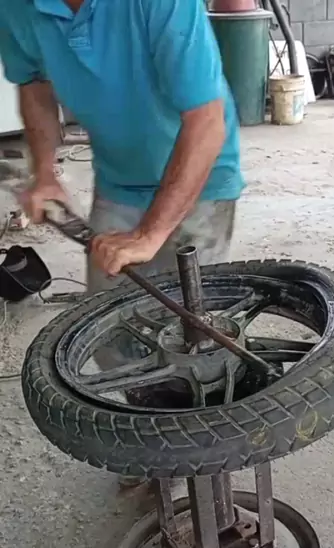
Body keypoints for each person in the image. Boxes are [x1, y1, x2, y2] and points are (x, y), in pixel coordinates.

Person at [0, 0, 244, 487]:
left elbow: (206, 121)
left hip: (201, 179)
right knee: (110, 334)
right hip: (120, 180)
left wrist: (150, 234)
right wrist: (44, 172)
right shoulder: (17, 6)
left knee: (196, 337)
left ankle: (205, 456)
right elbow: (34, 82)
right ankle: (155, 444)